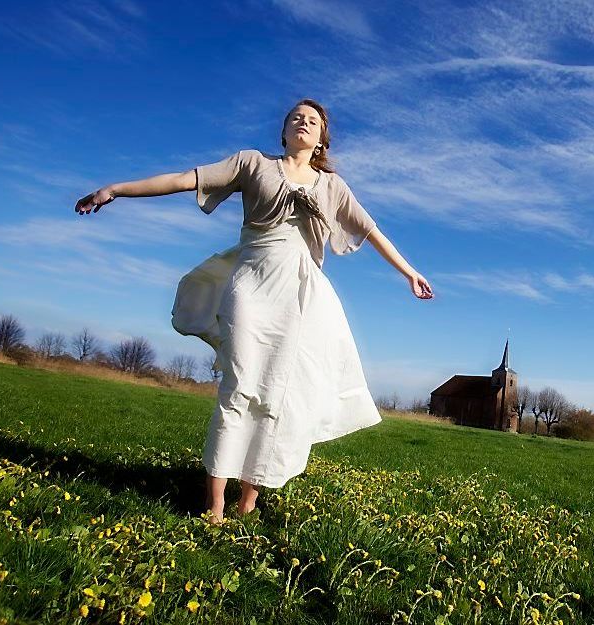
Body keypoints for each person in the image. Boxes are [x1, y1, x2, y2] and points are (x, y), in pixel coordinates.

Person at [75, 99, 433, 522]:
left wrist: (409, 273)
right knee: (239, 385)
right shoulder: (252, 163)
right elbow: (182, 179)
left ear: (321, 139)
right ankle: (215, 503)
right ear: (284, 132)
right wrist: (114, 189)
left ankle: (249, 499)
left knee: (275, 394)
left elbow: (372, 231)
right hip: (251, 285)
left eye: (313, 121)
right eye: (296, 118)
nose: (304, 122)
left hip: (300, 296)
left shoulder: (333, 187)